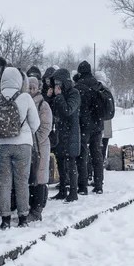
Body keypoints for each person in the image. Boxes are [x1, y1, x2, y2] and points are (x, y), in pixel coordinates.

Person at [0, 67, 40, 228]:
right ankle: (23, 217)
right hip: (23, 145)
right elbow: (35, 124)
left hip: (0, 145)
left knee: (4, 182)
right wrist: (23, 131)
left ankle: (5, 219)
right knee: (22, 181)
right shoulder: (25, 97)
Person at [47, 68, 81, 202]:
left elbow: (68, 110)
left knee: (71, 163)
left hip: (71, 132)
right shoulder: (58, 95)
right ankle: (62, 190)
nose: (56, 85)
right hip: (60, 132)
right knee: (60, 161)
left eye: (58, 82)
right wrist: (50, 98)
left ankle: (73, 192)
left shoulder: (74, 93)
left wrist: (59, 96)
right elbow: (50, 110)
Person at [74, 61, 106, 194]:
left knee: (82, 155)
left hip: (83, 125)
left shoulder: (78, 86)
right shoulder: (97, 84)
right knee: (97, 154)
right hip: (98, 125)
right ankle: (99, 185)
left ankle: (83, 186)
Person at [27, 76, 53, 221]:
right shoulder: (24, 102)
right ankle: (33, 206)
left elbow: (46, 126)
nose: (31, 90)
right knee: (31, 176)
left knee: (39, 177)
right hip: (29, 145)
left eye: (34, 88)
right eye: (29, 87)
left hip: (40, 145)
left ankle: (37, 209)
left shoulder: (43, 105)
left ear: (38, 88)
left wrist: (34, 139)